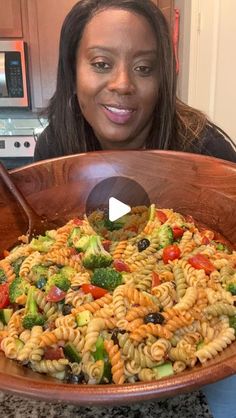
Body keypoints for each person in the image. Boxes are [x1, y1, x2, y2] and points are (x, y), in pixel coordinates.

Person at [34, 1, 236, 417]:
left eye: (144, 68)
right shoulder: (55, 150)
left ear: (164, 79)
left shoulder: (206, 152)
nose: (123, 83)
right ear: (73, 71)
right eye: (101, 63)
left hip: (208, 359)